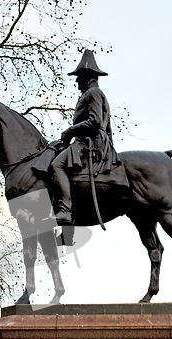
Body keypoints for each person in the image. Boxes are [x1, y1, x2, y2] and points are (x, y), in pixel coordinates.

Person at [50, 49, 120, 224]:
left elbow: (95, 121)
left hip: (90, 142)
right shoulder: (94, 94)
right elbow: (108, 127)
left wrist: (70, 131)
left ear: (87, 76)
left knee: (56, 166)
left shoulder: (92, 93)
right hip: (93, 141)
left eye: (79, 76)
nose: (76, 81)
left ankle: (65, 210)